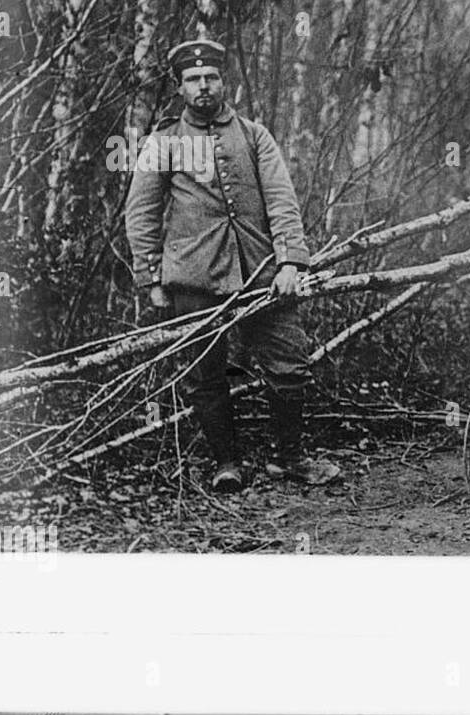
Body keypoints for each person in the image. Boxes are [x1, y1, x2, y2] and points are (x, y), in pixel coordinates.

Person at [125, 38, 339, 490]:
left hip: (263, 273)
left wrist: (289, 262)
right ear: (180, 87)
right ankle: (226, 463)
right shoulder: (164, 142)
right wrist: (150, 278)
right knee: (206, 374)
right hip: (194, 277)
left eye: (211, 77)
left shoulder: (254, 135)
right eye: (193, 79)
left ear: (224, 82)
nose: (203, 86)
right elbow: (141, 212)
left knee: (288, 364)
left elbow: (282, 199)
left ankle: (290, 458)